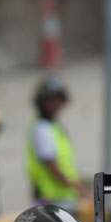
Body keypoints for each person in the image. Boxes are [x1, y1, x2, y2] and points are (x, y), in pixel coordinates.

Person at [26, 76, 86, 211]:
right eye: (51, 100)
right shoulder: (42, 129)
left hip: (63, 196)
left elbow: (66, 163)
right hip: (53, 198)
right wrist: (78, 189)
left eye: (58, 100)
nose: (56, 104)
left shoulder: (53, 127)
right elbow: (51, 165)